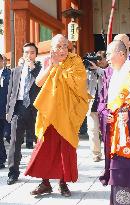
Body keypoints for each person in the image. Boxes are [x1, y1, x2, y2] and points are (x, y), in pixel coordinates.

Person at [24, 34, 88, 197]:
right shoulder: (47, 60)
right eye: (58, 46)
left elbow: (79, 84)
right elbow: (38, 82)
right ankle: (45, 183)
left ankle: (63, 183)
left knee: (64, 148)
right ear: (52, 48)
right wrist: (52, 66)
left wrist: (59, 67)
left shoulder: (75, 61)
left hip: (67, 112)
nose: (62, 50)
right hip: (49, 112)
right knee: (44, 148)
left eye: (65, 46)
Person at [98, 40, 130, 204]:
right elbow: (101, 101)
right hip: (115, 134)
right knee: (118, 171)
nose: (106, 57)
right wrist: (105, 114)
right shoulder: (108, 74)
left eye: (109, 54)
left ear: (121, 54)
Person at [6, 42, 42, 185]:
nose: (29, 55)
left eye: (32, 52)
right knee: (15, 142)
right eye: (26, 52)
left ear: (36, 55)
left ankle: (43, 174)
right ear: (23, 54)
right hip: (18, 109)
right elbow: (10, 92)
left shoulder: (41, 70)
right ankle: (13, 173)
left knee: (40, 142)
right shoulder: (15, 71)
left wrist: (33, 69)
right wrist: (9, 111)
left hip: (35, 110)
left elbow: (43, 86)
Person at [85, 51, 108, 162]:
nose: (97, 61)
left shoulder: (109, 70)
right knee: (92, 130)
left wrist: (97, 69)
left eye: (99, 59)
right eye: (95, 59)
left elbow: (107, 76)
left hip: (105, 106)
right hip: (92, 105)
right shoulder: (88, 71)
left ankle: (109, 152)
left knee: (106, 131)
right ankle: (96, 154)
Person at [0, 54, 11, 169]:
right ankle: (1, 160)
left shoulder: (9, 74)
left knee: (8, 135)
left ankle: (15, 154)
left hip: (7, 110)